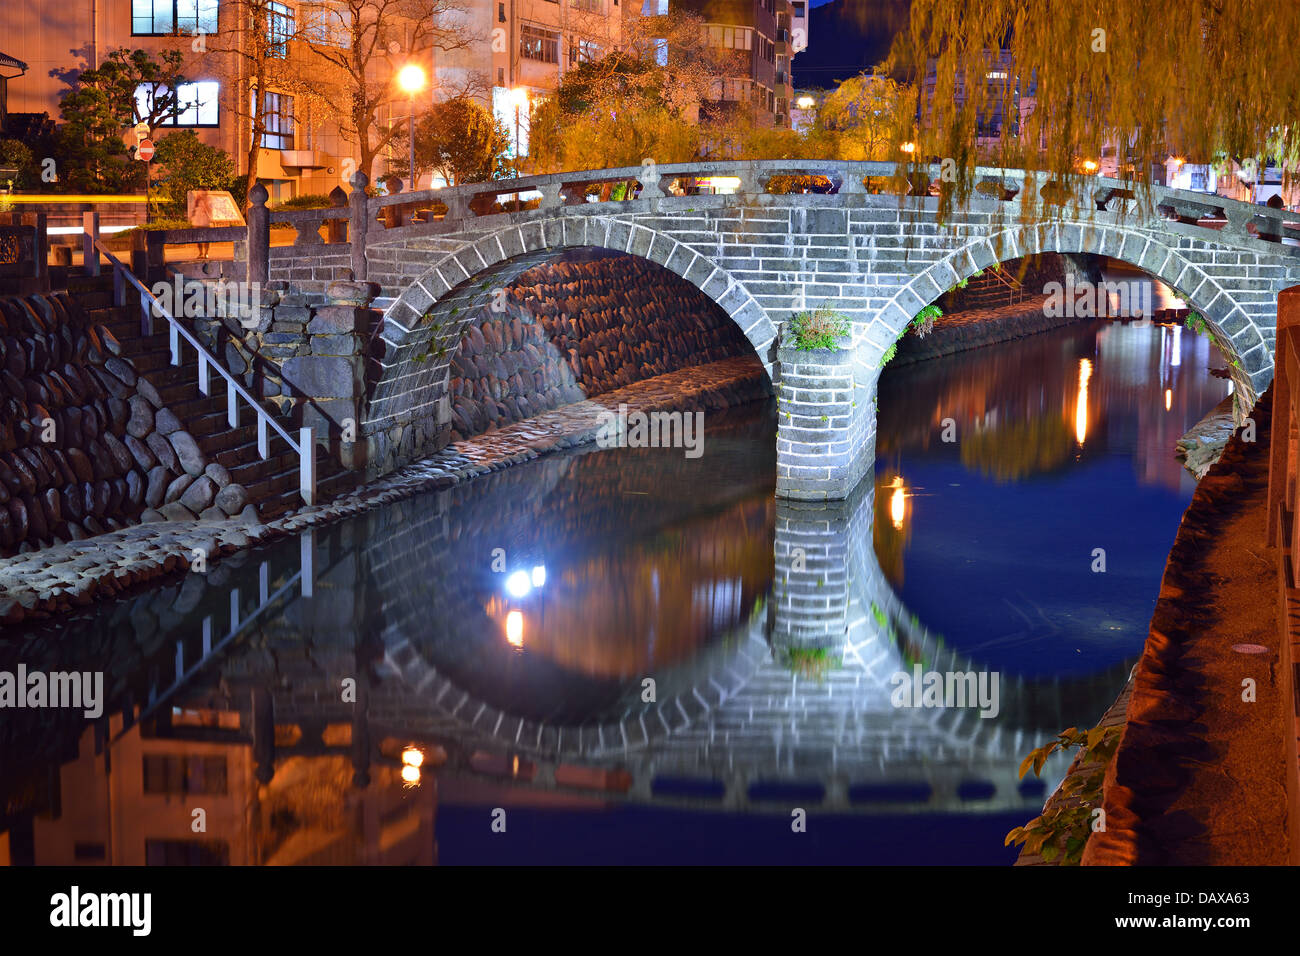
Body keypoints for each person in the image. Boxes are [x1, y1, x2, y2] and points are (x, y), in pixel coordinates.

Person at [190, 191, 214, 260]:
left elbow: (210, 210)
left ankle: (206, 253)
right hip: (198, 221)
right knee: (198, 238)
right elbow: (194, 209)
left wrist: (204, 202)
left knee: (207, 238)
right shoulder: (197, 199)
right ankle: (200, 253)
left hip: (205, 221)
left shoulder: (209, 199)